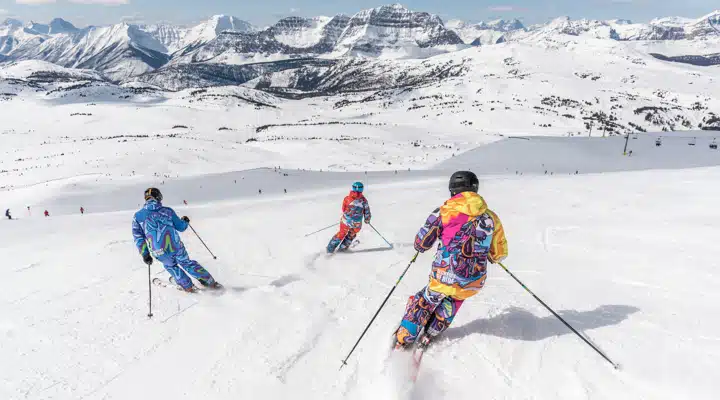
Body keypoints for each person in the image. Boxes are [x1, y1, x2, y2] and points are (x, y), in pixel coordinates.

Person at [393, 171, 508, 349]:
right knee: (454, 299)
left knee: (425, 300)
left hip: (444, 274)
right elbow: (498, 253)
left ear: (453, 190)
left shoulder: (444, 212)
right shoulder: (491, 217)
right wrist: (492, 256)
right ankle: (431, 331)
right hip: (474, 280)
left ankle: (405, 337)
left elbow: (422, 242)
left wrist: (419, 247)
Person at [132, 188, 221, 292]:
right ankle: (210, 282)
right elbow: (180, 227)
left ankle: (187, 286)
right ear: (158, 197)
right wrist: (185, 221)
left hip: (158, 251)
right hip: (175, 246)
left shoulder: (138, 216)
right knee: (186, 263)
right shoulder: (167, 211)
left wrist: (145, 254)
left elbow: (138, 237)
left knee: (171, 266)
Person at [326, 182, 371, 253]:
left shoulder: (347, 198)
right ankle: (343, 248)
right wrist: (367, 219)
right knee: (351, 234)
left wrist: (348, 215)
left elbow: (343, 209)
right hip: (357, 223)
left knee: (341, 233)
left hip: (346, 221)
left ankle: (330, 248)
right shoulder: (364, 201)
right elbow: (367, 211)